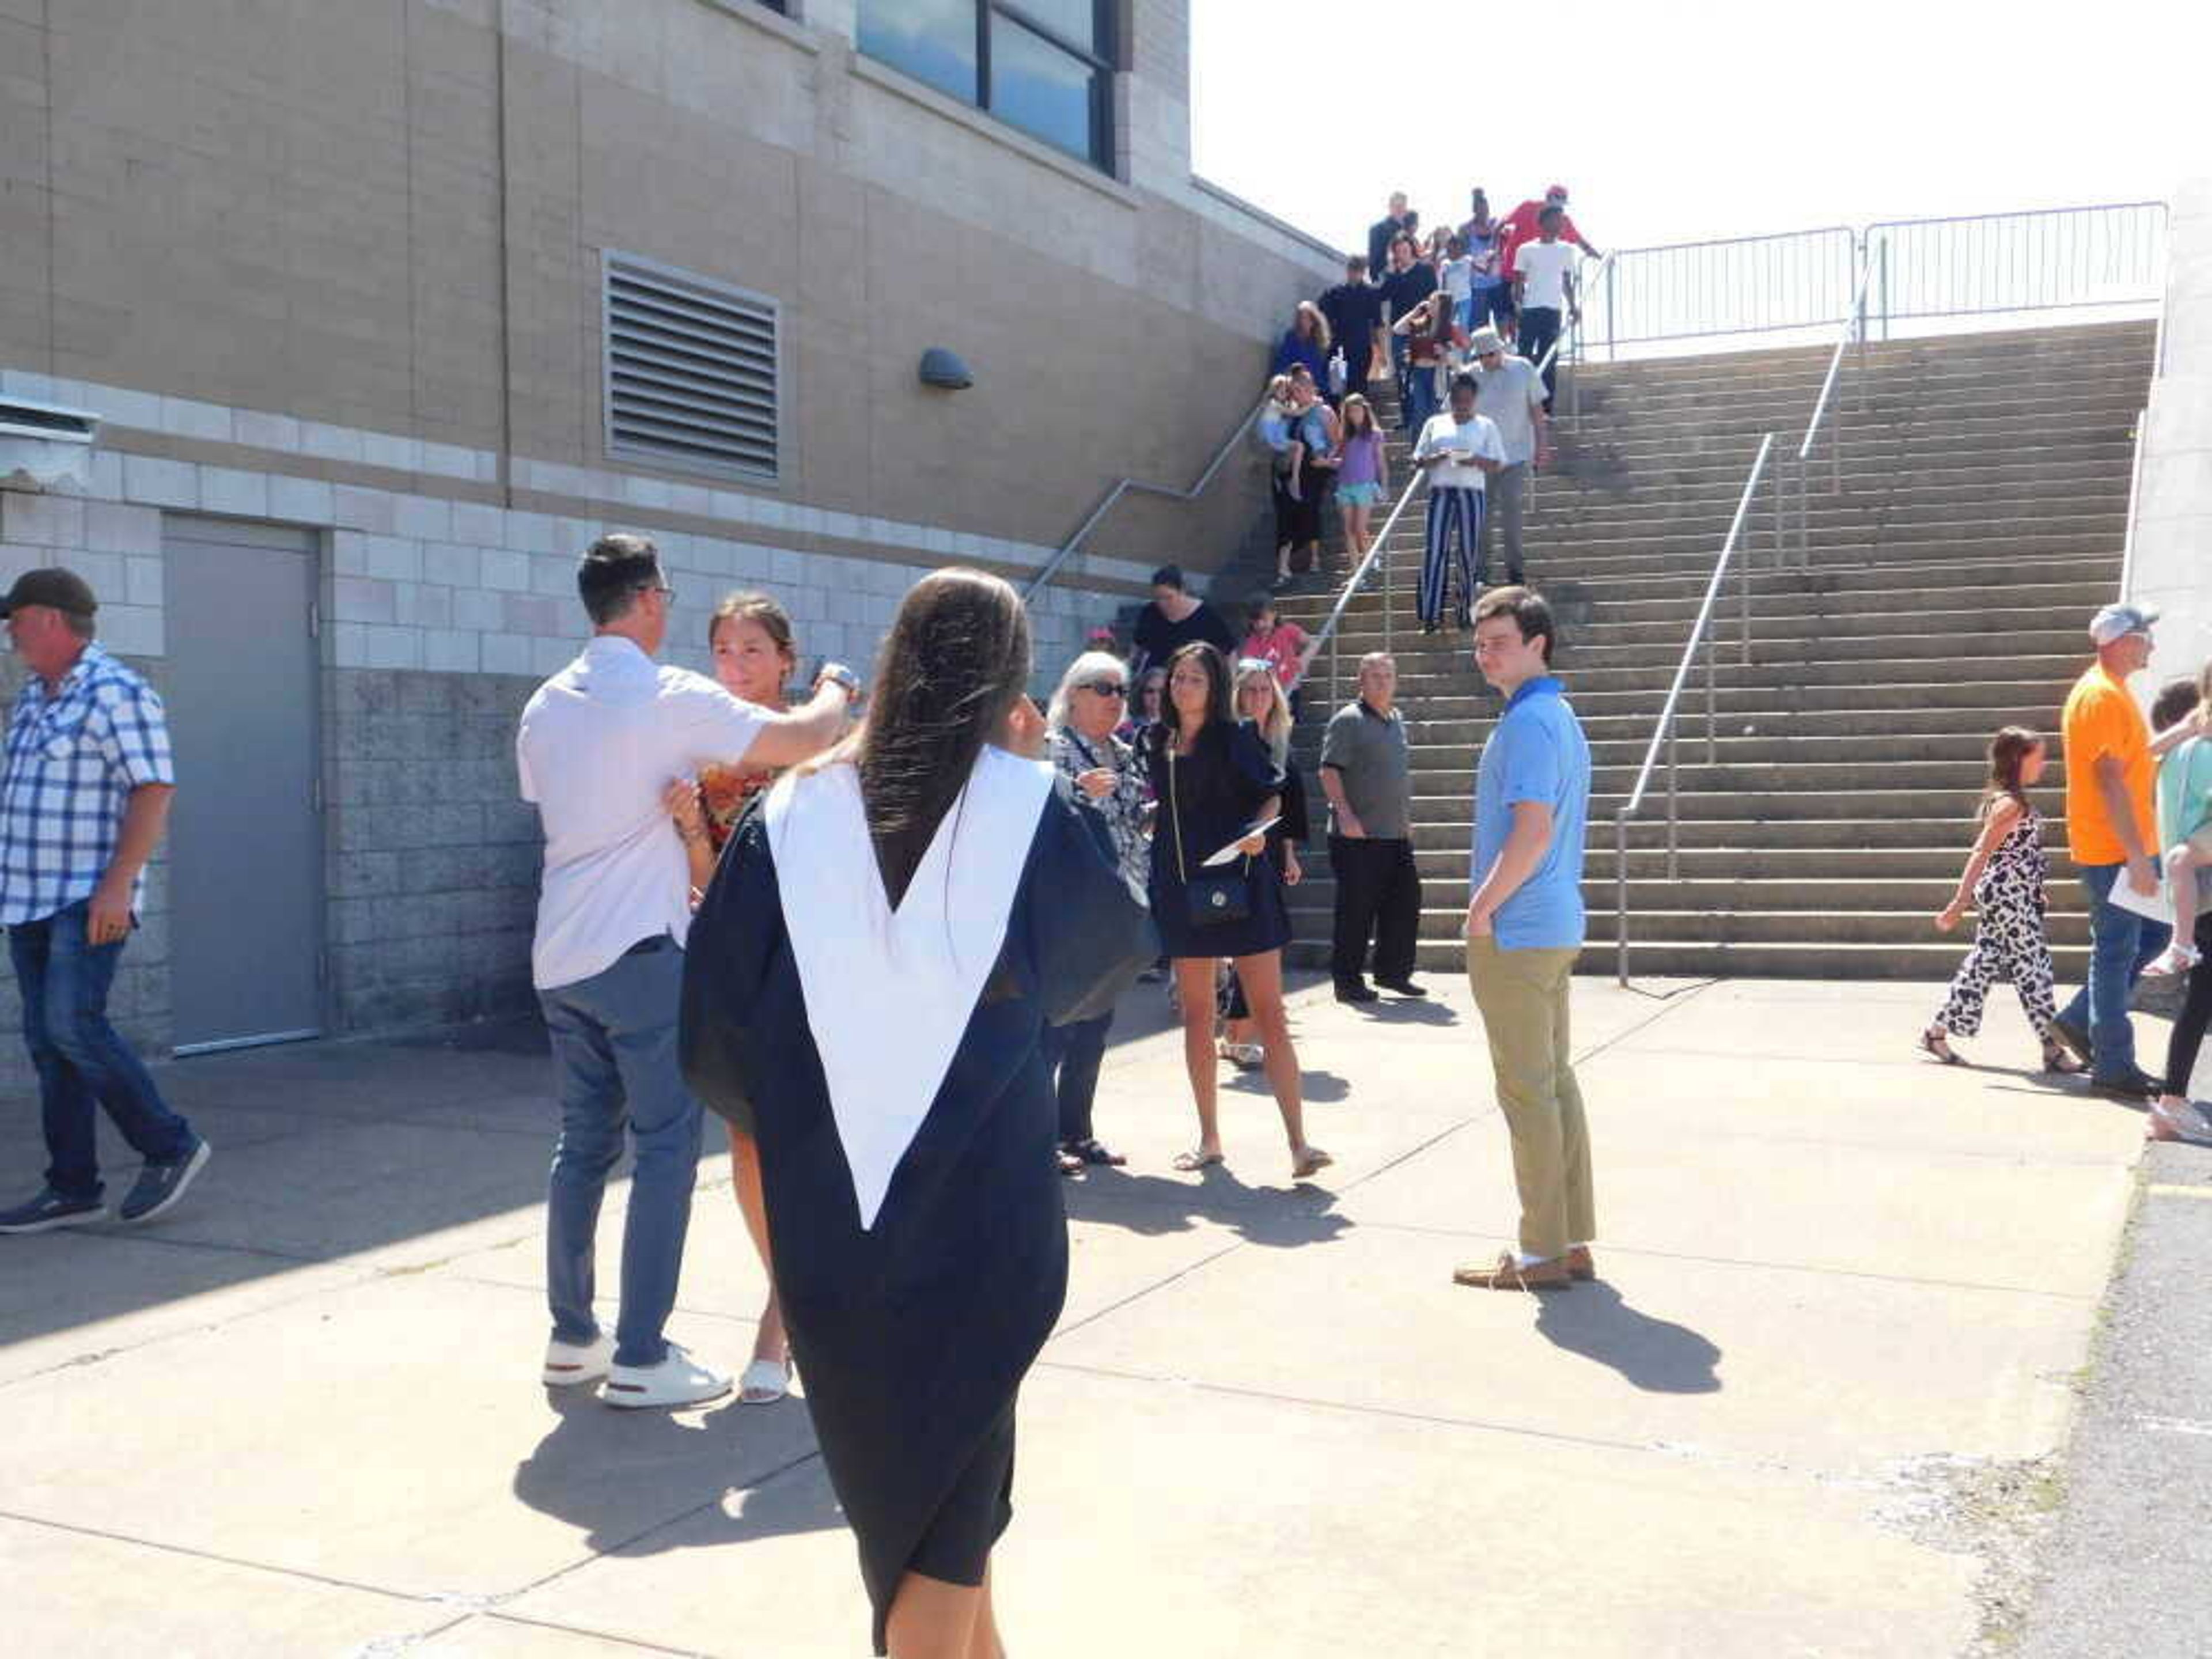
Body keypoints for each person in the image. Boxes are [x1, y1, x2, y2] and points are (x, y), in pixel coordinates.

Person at [681, 569, 1149, 1659]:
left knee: (935, 1518)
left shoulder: (786, 818)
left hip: (838, 1242)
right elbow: (1100, 964)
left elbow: (720, 1044)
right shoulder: (1023, 808)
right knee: (939, 1532)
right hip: (987, 1232)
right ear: (1008, 681)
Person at [517, 533, 855, 1408]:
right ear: (652, 600)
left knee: (583, 1146)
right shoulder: (667, 695)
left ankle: (571, 1337)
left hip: (559, 953)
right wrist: (840, 686)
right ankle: (641, 1353)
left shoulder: (546, 703)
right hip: (640, 951)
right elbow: (803, 736)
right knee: (664, 1149)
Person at [0, 569, 210, 1236]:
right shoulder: (36, 696)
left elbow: (153, 789)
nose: (8, 633)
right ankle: (72, 1187)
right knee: (49, 1042)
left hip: (87, 898)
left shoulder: (116, 692)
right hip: (27, 897)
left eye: (16, 619)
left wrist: (118, 885)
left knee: (74, 1025)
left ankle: (170, 1145)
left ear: (51, 620)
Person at [662, 590, 817, 1406]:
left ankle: (782, 1321)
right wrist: (692, 832)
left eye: (753, 649)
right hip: (735, 969)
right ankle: (786, 1303)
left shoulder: (821, 749)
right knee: (750, 1145)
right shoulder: (700, 759)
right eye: (724, 650)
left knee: (812, 1148)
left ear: (786, 660)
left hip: (816, 968)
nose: (737, 665)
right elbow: (708, 892)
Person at [1140, 642, 1331, 1181]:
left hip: (1242, 882)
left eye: (1195, 679)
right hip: (1182, 886)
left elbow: (1274, 799)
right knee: (1199, 1017)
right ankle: (1209, 1140)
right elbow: (1172, 805)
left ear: (1213, 688)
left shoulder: (1235, 738)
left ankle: (1299, 1143)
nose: (1182, 687)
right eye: (1177, 677)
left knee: (1269, 1014)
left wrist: (1256, 833)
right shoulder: (1156, 740)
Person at [1454, 588, 1596, 1292]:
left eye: (1500, 641)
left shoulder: (1530, 724)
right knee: (1554, 1085)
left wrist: (1482, 909)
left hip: (1520, 928)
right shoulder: (1557, 715)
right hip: (1554, 922)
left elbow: (1532, 829)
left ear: (1539, 642)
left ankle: (1540, 1252)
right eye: (1480, 644)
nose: (1486, 654)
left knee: (1528, 1093)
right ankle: (1567, 1241)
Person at [2049, 603, 2172, 1100]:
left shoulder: (2112, 691)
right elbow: (2108, 780)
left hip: (2128, 847)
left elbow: (2128, 764)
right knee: (2117, 952)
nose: (2151, 645)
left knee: (2153, 937)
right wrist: (2137, 856)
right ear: (2122, 641)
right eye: (2145, 636)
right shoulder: (2100, 696)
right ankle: (2114, 1064)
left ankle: (2082, 1021)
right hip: (2116, 851)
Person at [1044, 650, 1153, 1173]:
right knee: (1056, 1029)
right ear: (1075, 694)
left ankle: (1077, 1132)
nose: (1116, 700)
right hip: (1072, 909)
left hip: (1124, 905)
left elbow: (1134, 821)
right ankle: (1037, 1140)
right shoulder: (1052, 751)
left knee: (1096, 1026)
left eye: (1121, 691)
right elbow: (1040, 815)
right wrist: (1075, 793)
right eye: (1105, 689)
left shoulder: (1127, 753)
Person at [1919, 728, 2083, 1075]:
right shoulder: (2010, 803)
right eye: (2038, 757)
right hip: (2007, 897)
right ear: (2017, 760)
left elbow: (2015, 853)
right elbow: (1983, 851)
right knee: (2034, 969)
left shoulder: (2011, 800)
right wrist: (1959, 901)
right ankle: (2052, 1048)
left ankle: (1936, 1033)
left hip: (2012, 894)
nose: (2044, 764)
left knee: (1983, 965)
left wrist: (2034, 888)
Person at [1218, 660, 1309, 1069]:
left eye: (1264, 689)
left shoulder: (1278, 742)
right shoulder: (1231, 741)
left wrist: (1289, 853)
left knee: (1260, 942)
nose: (1257, 697)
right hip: (1238, 851)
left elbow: (1289, 806)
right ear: (1238, 694)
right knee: (1250, 943)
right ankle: (1238, 1031)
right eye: (1250, 690)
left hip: (1269, 852)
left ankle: (1237, 1031)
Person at [1321, 652, 1423, 1005]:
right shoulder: (1348, 720)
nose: (1382, 682)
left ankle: (1394, 973)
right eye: (1375, 676)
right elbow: (1330, 770)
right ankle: (1347, 981)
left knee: (1406, 902)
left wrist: (1404, 819)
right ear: (1360, 682)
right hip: (1357, 837)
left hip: (1394, 833)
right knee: (1356, 912)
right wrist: (1345, 814)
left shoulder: (1396, 719)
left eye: (1388, 676)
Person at [2153, 669, 2212, 1138]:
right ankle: (2171, 1103)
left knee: (2201, 995)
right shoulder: (2206, 752)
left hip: (2193, 890)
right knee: (2200, 996)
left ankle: (2171, 1103)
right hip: (2206, 882)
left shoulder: (2179, 751)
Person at [1412, 372, 1506, 634]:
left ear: (1474, 399)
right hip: (1441, 491)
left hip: (1471, 492)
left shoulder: (1486, 425)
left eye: (1466, 399)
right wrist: (1438, 457)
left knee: (1468, 554)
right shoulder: (1435, 423)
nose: (1461, 404)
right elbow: (1418, 459)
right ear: (1450, 398)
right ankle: (1431, 615)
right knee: (1434, 553)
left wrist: (1475, 460)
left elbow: (1498, 462)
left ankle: (1466, 613)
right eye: (1457, 399)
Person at [2143, 662, 2212, 980]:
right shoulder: (2200, 717)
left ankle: (2182, 945)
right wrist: (2188, 729)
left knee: (2180, 859)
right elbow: (2149, 749)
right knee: (2179, 859)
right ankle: (2182, 945)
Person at [1469, 326, 1552, 586]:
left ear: (1500, 350)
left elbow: (1537, 411)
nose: (1487, 360)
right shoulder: (1469, 376)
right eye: (1481, 356)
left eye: (1491, 354)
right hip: (1481, 459)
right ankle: (1481, 572)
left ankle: (1516, 572)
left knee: (1512, 512)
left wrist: (1542, 445)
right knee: (1481, 519)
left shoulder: (1523, 368)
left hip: (1515, 455)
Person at [1513, 206, 1583, 410]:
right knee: (1524, 355)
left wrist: (1573, 306)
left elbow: (1566, 280)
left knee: (1549, 357)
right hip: (1530, 309)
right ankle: (1522, 401)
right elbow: (1518, 280)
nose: (1561, 224)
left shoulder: (1566, 249)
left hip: (1553, 310)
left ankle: (1546, 407)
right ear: (1543, 222)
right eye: (1557, 219)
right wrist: (1518, 305)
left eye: (1562, 220)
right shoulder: (1525, 249)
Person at [1285, 367, 1342, 581]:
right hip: (1301, 468)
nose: (1295, 395)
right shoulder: (1294, 413)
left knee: (1310, 507)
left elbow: (1337, 443)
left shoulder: (1324, 412)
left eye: (1299, 390)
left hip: (1320, 467)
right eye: (1293, 391)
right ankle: (1300, 555)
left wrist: (1327, 461)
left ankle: (1315, 558)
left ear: (1310, 389)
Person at [1130, 564, 1236, 679]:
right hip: (1156, 683)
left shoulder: (1206, 616)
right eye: (1158, 598)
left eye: (1168, 597)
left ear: (1182, 592)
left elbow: (1230, 653)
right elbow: (1137, 647)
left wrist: (1229, 684)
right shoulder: (1150, 613)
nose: (1162, 604)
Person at [1378, 233, 1439, 419]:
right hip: (1399, 332)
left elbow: (1435, 298)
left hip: (1422, 331)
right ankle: (1406, 416)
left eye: (1405, 250)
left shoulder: (1426, 270)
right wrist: (1387, 274)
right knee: (1401, 375)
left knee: (1421, 376)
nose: (1402, 255)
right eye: (1398, 252)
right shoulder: (1392, 276)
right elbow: (1380, 296)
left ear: (1412, 249)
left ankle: (1424, 416)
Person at [1392, 291, 1467, 435]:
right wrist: (1416, 310)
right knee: (1419, 413)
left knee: (1434, 412)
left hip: (1437, 375)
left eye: (1433, 302)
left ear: (1443, 307)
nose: (1429, 305)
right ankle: (1418, 452)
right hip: (1418, 373)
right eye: (1429, 301)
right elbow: (1397, 329)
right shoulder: (1419, 322)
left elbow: (1458, 359)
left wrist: (1445, 353)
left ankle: (1434, 448)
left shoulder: (1451, 328)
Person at [1497, 184, 1601, 284]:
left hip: (1534, 281)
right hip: (1510, 274)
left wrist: (1600, 258)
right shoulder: (1527, 207)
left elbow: (1582, 243)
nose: (1560, 204)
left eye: (1563, 201)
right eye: (1558, 199)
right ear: (1548, 197)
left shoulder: (1563, 221)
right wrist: (1496, 252)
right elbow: (1501, 225)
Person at [1334, 392, 1391, 568]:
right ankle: (1355, 572)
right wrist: (1329, 461)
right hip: (1345, 485)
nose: (1354, 415)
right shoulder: (1344, 435)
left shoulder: (1375, 434)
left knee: (1360, 529)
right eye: (1351, 412)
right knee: (1349, 530)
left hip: (1365, 485)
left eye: (1358, 411)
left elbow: (1381, 463)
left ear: (1365, 411)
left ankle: (1370, 560)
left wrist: (1385, 486)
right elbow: (1339, 458)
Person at [1317, 255, 1386, 400]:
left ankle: (1356, 422)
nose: (1354, 273)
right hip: (1338, 349)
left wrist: (1383, 352)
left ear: (1363, 272)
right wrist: (1323, 343)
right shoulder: (1334, 293)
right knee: (1335, 391)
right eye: (1352, 269)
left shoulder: (1371, 294)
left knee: (1357, 393)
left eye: (1358, 270)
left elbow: (1378, 325)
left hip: (1361, 351)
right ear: (1347, 269)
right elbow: (1320, 318)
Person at [1241, 594, 1319, 719]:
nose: (1261, 625)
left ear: (1274, 615)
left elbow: (1313, 643)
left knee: (1289, 726)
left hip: (1291, 688)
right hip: (1269, 694)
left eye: (1265, 619)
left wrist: (1303, 660)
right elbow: (1249, 666)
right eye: (1256, 621)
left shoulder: (1287, 630)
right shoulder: (1252, 641)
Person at [1460, 188, 1513, 335]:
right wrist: (1480, 268)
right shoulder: (1465, 229)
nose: (1484, 212)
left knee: (1502, 319)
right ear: (1474, 210)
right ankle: (1482, 354)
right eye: (1480, 209)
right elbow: (1463, 256)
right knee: (1481, 324)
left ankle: (1504, 349)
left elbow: (1508, 242)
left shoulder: (1496, 224)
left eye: (1486, 209)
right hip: (1477, 285)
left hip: (1497, 282)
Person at [1271, 300, 1332, 391]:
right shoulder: (1292, 338)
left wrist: (1320, 390)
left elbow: (1322, 373)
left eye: (1306, 318)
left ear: (1313, 321)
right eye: (1300, 317)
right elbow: (1282, 363)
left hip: (1312, 390)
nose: (1302, 321)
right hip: (1292, 386)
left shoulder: (1319, 343)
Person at [1367, 190, 1412, 279]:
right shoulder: (1377, 229)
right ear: (1390, 207)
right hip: (1386, 281)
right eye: (1397, 206)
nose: (1401, 209)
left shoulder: (1408, 234)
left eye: (1403, 206)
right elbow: (1374, 261)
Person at [1121, 665, 1168, 744]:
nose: (1156, 697)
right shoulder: (1129, 726)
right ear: (1140, 694)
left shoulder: (1180, 726)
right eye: (1150, 691)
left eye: (1162, 692)